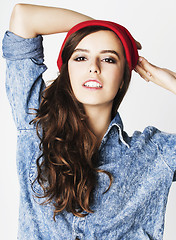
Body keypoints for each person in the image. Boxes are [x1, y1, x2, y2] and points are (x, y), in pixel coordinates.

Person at [2, 3, 176, 240]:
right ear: (67, 71)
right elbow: (24, 17)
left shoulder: (155, 153)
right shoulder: (36, 123)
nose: (93, 68)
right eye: (81, 57)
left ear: (125, 77)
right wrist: (105, 30)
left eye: (109, 59)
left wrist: (170, 82)